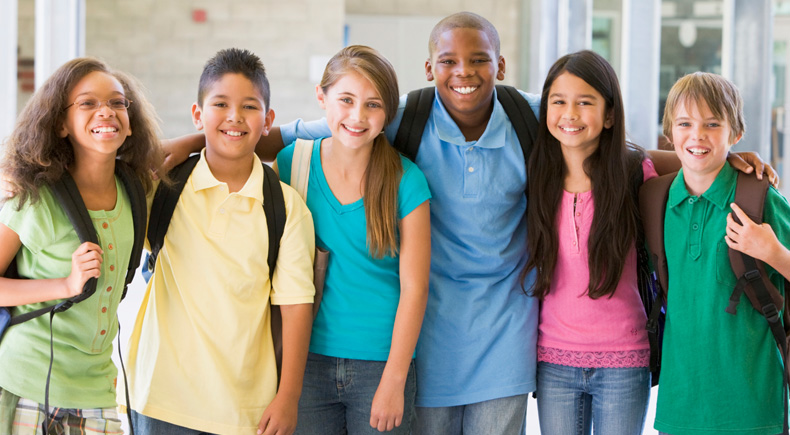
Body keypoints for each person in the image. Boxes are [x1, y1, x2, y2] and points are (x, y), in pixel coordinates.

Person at [160, 13, 777, 434]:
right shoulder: (395, 116)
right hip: (425, 340)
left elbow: (621, 148)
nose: (464, 71)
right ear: (430, 69)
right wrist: (184, 141)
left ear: (500, 64)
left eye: (479, 59)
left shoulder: (532, 115)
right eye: (449, 61)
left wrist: (729, 159)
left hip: (506, 338)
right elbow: (277, 133)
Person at [123, 48, 316, 435]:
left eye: (249, 106)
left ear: (267, 120)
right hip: (160, 399)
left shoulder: (286, 207)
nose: (234, 117)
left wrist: (288, 397)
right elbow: (99, 182)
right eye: (220, 104)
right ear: (198, 115)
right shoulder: (164, 186)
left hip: (245, 411)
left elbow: (296, 309)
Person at [0, 57, 163, 434]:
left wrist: (206, 135)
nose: (106, 111)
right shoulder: (35, 198)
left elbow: (172, 154)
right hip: (25, 379)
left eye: (118, 102)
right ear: (60, 124)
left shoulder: (137, 190)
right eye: (87, 103)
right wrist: (66, 286)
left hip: (97, 387)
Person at [275, 45, 430, 434]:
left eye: (373, 105)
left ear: (388, 115)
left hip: (381, 364)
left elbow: (415, 288)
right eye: (346, 100)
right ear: (321, 98)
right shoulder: (291, 164)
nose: (357, 116)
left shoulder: (406, 180)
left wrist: (395, 380)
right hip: (305, 362)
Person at [525, 50, 655, 434]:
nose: (570, 114)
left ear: (610, 114)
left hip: (626, 359)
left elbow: (692, 164)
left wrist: (734, 158)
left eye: (586, 103)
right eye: (559, 101)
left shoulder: (633, 172)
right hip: (554, 360)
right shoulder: (535, 173)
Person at [653, 72, 790, 435]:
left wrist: (772, 252)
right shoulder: (656, 201)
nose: (697, 135)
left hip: (752, 408)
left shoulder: (759, 199)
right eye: (685, 123)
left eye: (712, 124)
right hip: (680, 406)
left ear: (736, 133)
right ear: (670, 132)